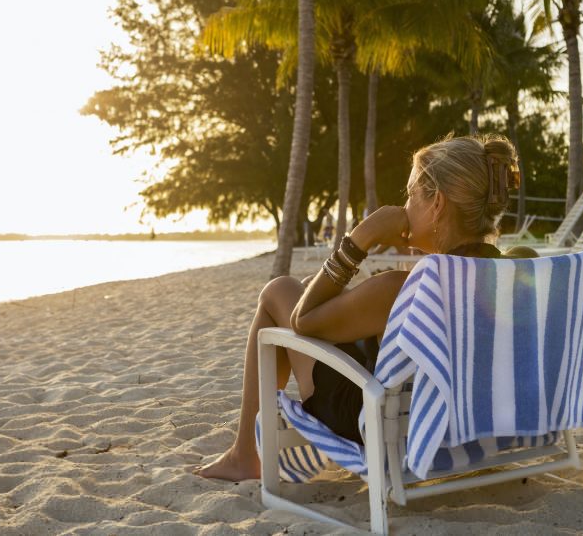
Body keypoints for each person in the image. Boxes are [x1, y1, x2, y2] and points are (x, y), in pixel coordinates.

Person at [194, 134, 529, 481]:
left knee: (279, 290)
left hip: (376, 421)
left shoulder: (405, 289)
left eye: (412, 194)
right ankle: (245, 454)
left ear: (437, 204)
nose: (404, 206)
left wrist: (360, 238)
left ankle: (245, 456)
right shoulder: (511, 278)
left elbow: (303, 320)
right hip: (471, 421)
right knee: (310, 288)